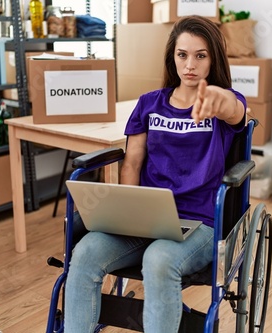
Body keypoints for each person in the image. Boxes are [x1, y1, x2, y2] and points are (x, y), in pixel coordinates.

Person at [64, 15, 247, 333]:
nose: (190, 64)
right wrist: (127, 216)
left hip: (198, 223)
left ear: (213, 59)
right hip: (145, 218)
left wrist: (222, 100)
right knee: (85, 253)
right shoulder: (150, 104)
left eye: (200, 55)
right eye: (182, 55)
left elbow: (236, 111)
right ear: (172, 57)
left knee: (159, 260)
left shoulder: (220, 105)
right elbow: (132, 164)